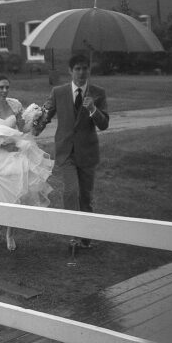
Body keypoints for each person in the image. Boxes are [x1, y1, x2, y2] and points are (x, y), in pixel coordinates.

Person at [32, 54, 110, 254]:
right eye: (78, 69)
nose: (82, 72)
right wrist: (36, 125)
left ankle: (86, 237)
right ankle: (72, 235)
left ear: (89, 70)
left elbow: (104, 124)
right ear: (70, 71)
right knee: (70, 191)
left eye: (85, 68)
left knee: (86, 196)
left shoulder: (98, 93)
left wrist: (93, 109)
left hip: (88, 152)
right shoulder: (59, 92)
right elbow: (46, 115)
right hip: (66, 152)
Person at [0, 75, 53, 251]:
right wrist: (3, 145)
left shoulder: (15, 104)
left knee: (16, 191)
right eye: (1, 87)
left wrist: (35, 119)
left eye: (7, 87)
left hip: (15, 152)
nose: (5, 91)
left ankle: (10, 232)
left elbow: (22, 130)